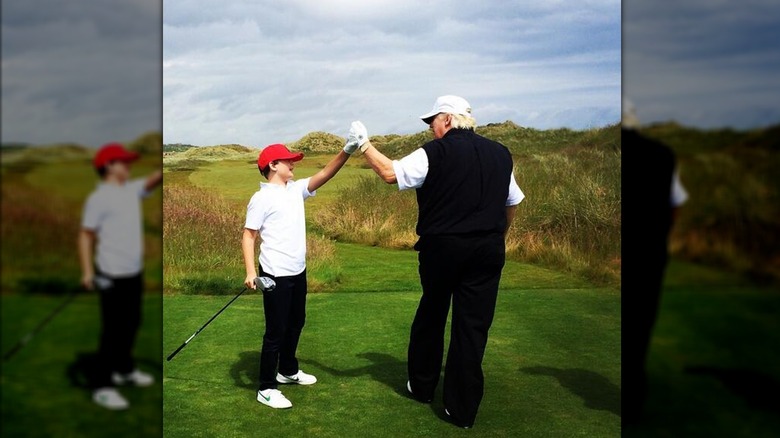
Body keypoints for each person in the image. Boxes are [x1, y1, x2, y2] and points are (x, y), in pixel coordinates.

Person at [345, 95, 524, 428]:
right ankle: (462, 410)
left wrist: (364, 145)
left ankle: (423, 386)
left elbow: (389, 173)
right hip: (487, 250)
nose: (430, 129)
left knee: (432, 312)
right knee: (472, 328)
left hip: (443, 248)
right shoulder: (500, 153)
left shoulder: (434, 152)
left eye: (432, 122)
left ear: (447, 119)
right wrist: (498, 238)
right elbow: (511, 202)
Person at [242, 141, 358, 409]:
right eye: (287, 161)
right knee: (275, 331)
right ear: (272, 165)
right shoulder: (261, 198)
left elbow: (325, 173)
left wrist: (347, 150)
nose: (293, 164)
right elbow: (249, 235)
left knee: (296, 323)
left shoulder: (295, 190)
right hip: (275, 274)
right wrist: (250, 272)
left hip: (298, 271)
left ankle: (288, 371)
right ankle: (266, 387)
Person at [78, 142, 162, 410]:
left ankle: (124, 370)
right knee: (112, 332)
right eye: (123, 162)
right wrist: (88, 272)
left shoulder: (130, 190)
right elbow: (85, 235)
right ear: (108, 167)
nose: (128, 166)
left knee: (132, 323)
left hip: (132, 274)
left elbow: (151, 182)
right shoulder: (98, 199)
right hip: (110, 275)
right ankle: (101, 385)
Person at [621, 99, 688, 422]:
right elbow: (675, 203)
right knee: (641, 323)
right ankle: (633, 399)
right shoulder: (662, 154)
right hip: (651, 251)